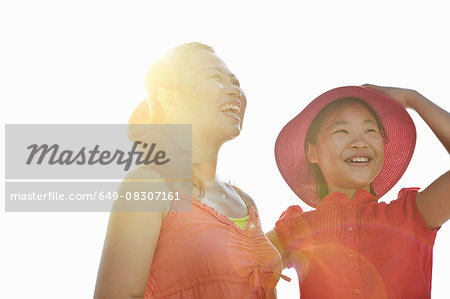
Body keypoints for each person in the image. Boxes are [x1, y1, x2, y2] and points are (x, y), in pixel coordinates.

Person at [94, 42, 284, 299]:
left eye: (236, 82)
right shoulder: (147, 185)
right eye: (215, 78)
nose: (235, 91)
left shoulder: (246, 202)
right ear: (170, 99)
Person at [267, 85, 450, 298]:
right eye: (341, 131)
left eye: (370, 131)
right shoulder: (295, 229)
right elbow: (238, 266)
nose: (359, 142)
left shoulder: (412, 215)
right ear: (312, 152)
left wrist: (414, 99)